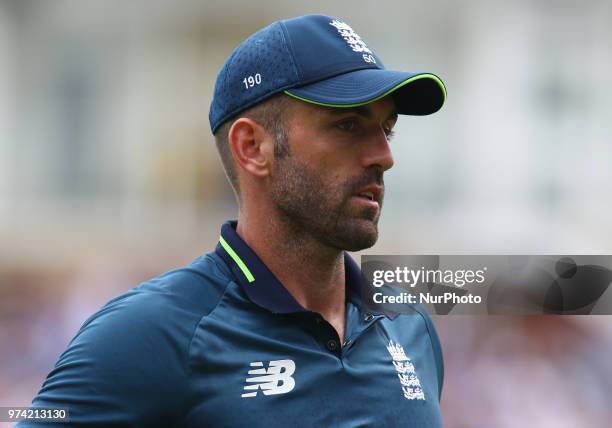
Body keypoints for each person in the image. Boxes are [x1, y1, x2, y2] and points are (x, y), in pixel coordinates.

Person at [18, 14, 447, 427]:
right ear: (252, 147)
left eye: (386, 129)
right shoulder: (149, 334)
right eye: (348, 125)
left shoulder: (409, 324)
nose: (384, 157)